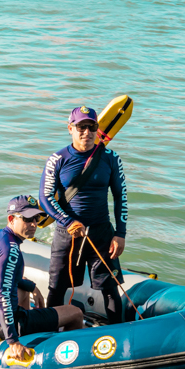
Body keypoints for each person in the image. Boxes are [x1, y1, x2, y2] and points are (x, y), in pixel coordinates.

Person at [0, 195, 84, 363]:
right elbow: (2, 297)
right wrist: (13, 341)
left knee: (22, 292)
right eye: (27, 219)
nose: (33, 224)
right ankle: (65, 359)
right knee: (75, 313)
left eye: (36, 219)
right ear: (11, 219)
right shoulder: (10, 250)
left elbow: (3, 279)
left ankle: (31, 332)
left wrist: (32, 287)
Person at [39, 105, 128, 323]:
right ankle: (51, 333)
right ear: (70, 128)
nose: (86, 132)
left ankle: (118, 332)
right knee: (56, 288)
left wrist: (120, 234)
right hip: (67, 234)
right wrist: (67, 221)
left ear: (97, 129)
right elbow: (45, 197)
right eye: (81, 127)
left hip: (101, 234)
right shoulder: (57, 159)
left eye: (91, 127)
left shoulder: (111, 158)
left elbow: (120, 197)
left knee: (110, 289)